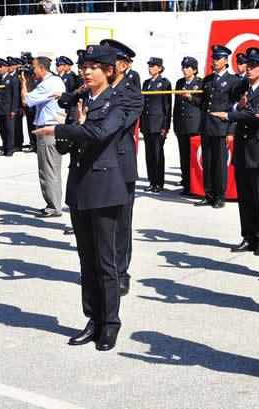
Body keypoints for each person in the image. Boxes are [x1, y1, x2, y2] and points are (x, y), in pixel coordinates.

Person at [33, 44, 128, 351]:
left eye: (93, 67)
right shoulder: (81, 101)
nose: (86, 72)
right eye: (83, 67)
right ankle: (93, 320)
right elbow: (65, 147)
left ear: (109, 71)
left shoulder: (119, 101)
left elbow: (100, 134)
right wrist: (66, 130)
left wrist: (67, 128)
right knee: (86, 261)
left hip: (104, 188)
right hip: (80, 188)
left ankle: (110, 324)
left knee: (105, 261)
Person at [212, 48, 259, 263]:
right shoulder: (242, 86)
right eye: (249, 65)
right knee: (245, 195)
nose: (250, 69)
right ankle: (249, 235)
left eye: (255, 66)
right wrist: (237, 106)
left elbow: (255, 114)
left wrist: (230, 114)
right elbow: (232, 103)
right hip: (244, 148)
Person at [99, 38, 144, 297]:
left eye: (109, 60)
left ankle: (120, 272)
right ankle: (103, 271)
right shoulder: (94, 90)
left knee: (121, 223)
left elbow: (114, 126)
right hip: (97, 166)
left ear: (123, 65)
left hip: (120, 164)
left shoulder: (131, 94)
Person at [189, 44, 243, 208]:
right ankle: (209, 193)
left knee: (220, 163)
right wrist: (190, 98)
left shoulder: (233, 81)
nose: (215, 61)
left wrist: (231, 130)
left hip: (221, 126)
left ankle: (220, 195)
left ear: (226, 60)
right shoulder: (208, 79)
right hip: (207, 126)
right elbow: (203, 102)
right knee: (208, 161)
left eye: (219, 58)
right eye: (214, 58)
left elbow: (235, 107)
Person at [20, 55, 66, 218]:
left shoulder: (48, 83)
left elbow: (26, 100)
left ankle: (54, 207)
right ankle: (53, 204)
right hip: (50, 128)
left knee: (48, 169)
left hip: (48, 129)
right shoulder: (53, 81)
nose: (32, 71)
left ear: (41, 68)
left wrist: (23, 84)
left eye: (33, 68)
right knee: (50, 168)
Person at [141, 57, 172, 192]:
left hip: (158, 124)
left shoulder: (164, 83)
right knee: (149, 154)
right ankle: (152, 181)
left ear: (160, 68)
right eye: (149, 66)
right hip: (147, 123)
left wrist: (165, 126)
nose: (150, 68)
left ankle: (159, 182)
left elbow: (167, 106)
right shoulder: (146, 83)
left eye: (153, 66)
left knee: (158, 153)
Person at [173, 56, 202, 195]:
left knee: (193, 157)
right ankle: (186, 183)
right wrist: (175, 123)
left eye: (188, 68)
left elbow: (201, 103)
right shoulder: (180, 82)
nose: (185, 70)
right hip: (181, 125)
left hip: (194, 125)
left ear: (194, 70)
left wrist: (190, 97)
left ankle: (194, 185)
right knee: (183, 156)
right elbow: (177, 105)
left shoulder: (199, 83)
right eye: (184, 67)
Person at [0, 58, 19, 156]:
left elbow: (15, 96)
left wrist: (13, 109)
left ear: (6, 68)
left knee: (9, 130)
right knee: (2, 129)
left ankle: (10, 148)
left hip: (8, 109)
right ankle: (4, 148)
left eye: (1, 67)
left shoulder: (12, 79)